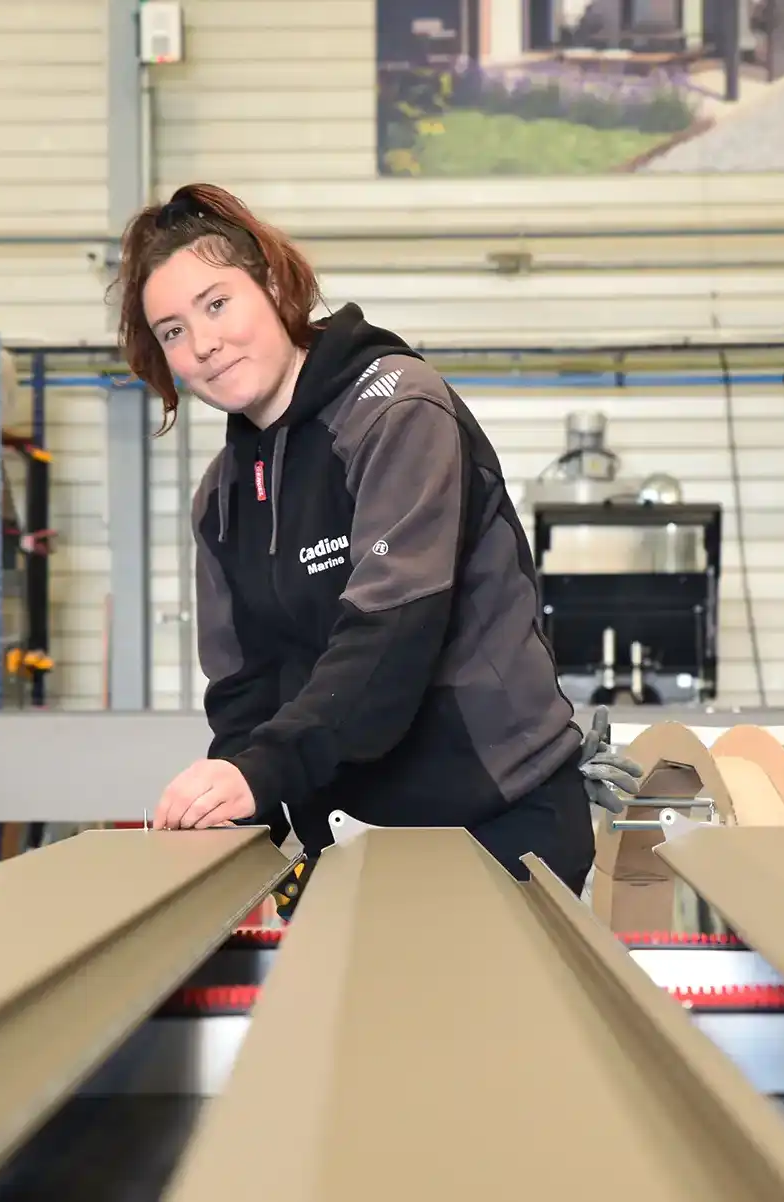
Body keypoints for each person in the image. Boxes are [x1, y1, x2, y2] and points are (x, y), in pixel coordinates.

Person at [117, 183, 641, 909]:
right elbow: (243, 690)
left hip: (496, 817)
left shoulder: (396, 411)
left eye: (216, 303)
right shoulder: (225, 496)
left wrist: (263, 771)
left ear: (271, 284)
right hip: (353, 833)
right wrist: (238, 824)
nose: (202, 344)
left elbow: (392, 636)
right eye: (172, 330)